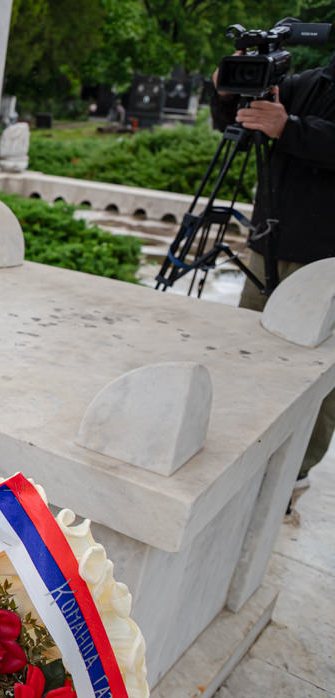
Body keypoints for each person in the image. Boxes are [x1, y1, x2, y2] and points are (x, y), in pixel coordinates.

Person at [211, 46, 335, 489]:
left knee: (318, 372)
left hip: (327, 265)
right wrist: (228, 95)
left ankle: (293, 475)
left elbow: (302, 135)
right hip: (270, 246)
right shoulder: (306, 84)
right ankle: (238, 451)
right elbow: (235, 131)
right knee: (252, 351)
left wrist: (290, 128)